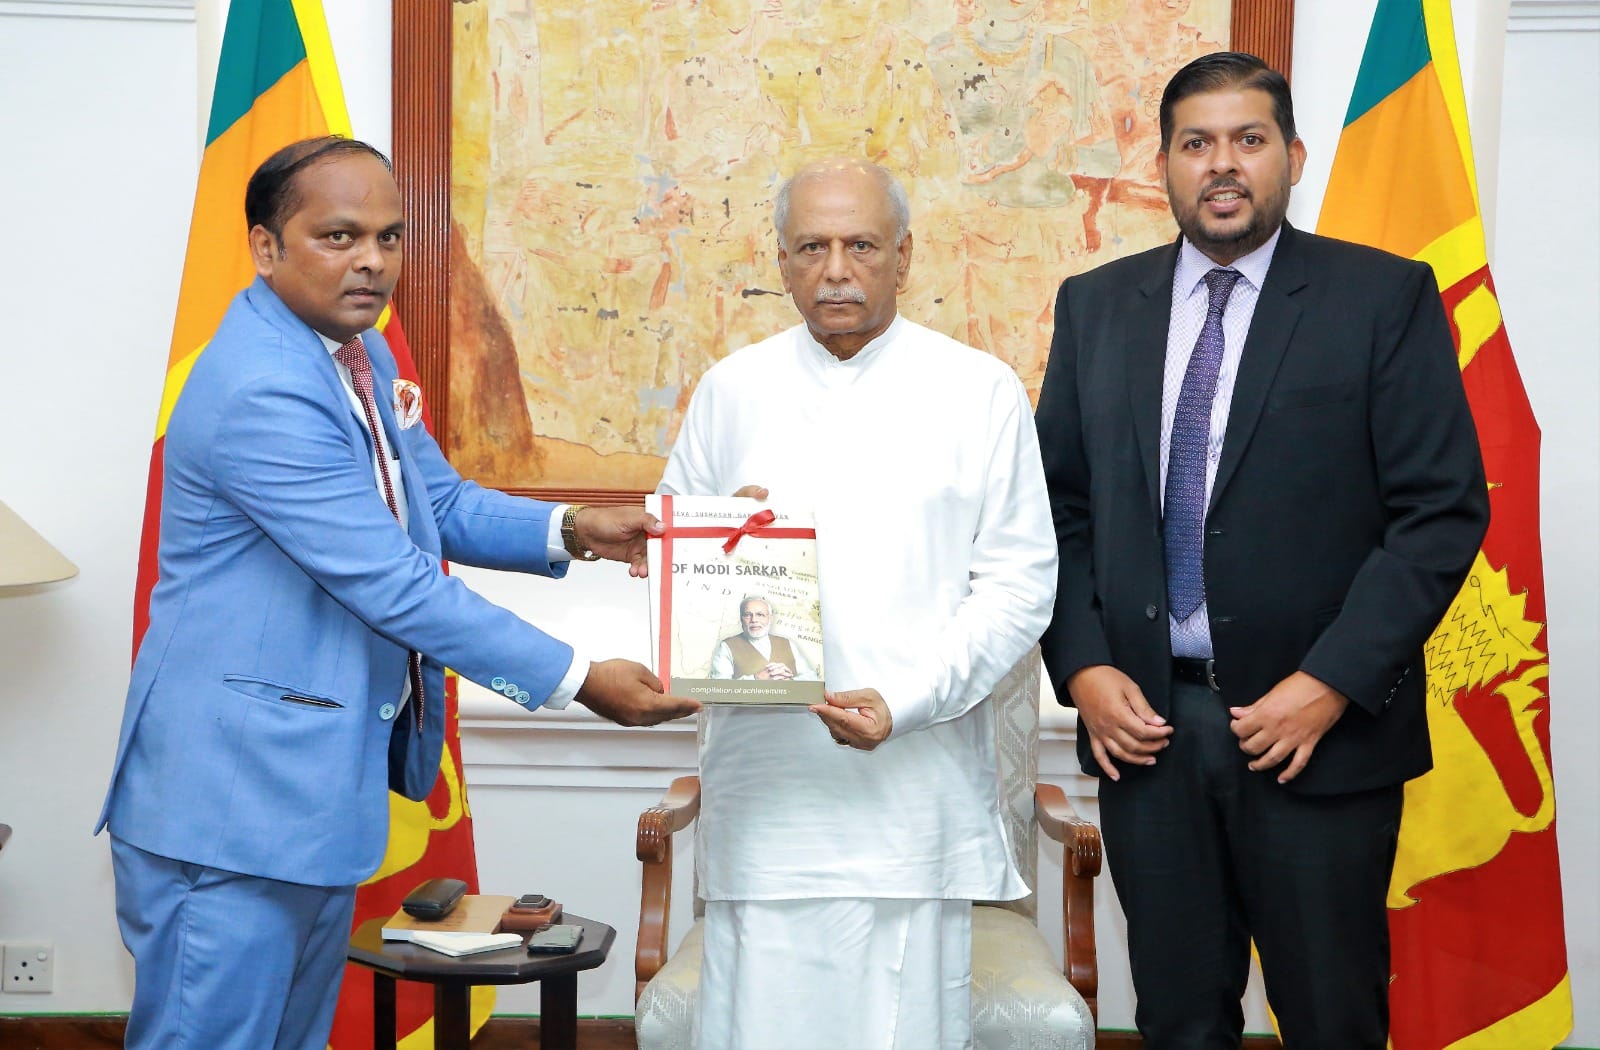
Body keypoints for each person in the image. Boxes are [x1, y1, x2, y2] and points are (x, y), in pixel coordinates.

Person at [95, 136, 698, 1050]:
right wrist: (578, 678)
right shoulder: (262, 387)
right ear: (266, 247)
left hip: (304, 795)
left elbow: (435, 500)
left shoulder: (354, 351)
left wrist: (574, 528)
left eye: (388, 236)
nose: (372, 260)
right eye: (338, 236)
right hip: (227, 806)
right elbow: (393, 583)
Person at [1034, 53, 1489, 1048]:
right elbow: (1056, 512)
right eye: (1196, 144)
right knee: (1178, 1019)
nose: (1222, 165)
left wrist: (1328, 681)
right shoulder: (1096, 307)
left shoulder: (1381, 298)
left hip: (1316, 740)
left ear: (1292, 155)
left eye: (1247, 140)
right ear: (1163, 165)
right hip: (1147, 735)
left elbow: (1439, 512)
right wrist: (1082, 663)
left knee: (1330, 1017)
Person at [657, 157, 1056, 1049]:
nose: (836, 268)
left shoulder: (979, 390)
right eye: (812, 247)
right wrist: (721, 538)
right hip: (768, 798)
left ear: (904, 257)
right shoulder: (731, 390)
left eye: (861, 245)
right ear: (784, 260)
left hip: (912, 795)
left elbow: (1021, 585)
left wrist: (906, 702)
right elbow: (674, 560)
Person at [707, 595, 818, 681]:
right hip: (746, 710)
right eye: (747, 615)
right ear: (741, 619)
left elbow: (812, 678)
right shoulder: (727, 645)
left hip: (788, 710)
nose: (754, 620)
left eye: (760, 615)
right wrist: (757, 678)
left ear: (770, 618)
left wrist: (789, 681)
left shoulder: (787, 643)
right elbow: (720, 687)